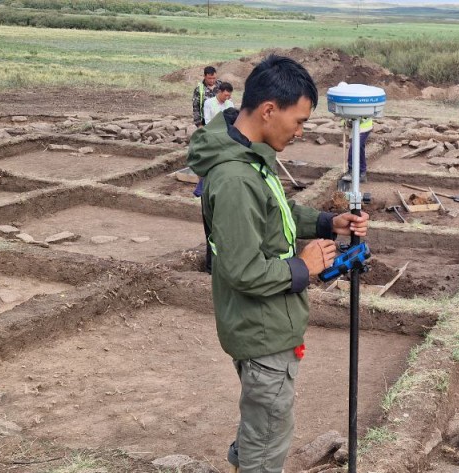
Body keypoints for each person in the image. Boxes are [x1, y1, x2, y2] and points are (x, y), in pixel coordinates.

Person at [187, 55, 369, 473]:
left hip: (267, 323)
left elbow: (275, 213)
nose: (300, 131)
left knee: (263, 420)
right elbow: (242, 270)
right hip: (263, 331)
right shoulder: (235, 178)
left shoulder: (250, 155)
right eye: (299, 120)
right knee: (268, 436)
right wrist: (304, 267)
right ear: (269, 110)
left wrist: (327, 222)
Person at [195, 106, 241, 274]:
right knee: (220, 233)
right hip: (216, 192)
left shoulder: (212, 141)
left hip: (209, 191)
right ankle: (216, 269)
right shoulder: (225, 143)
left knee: (212, 232)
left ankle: (212, 268)